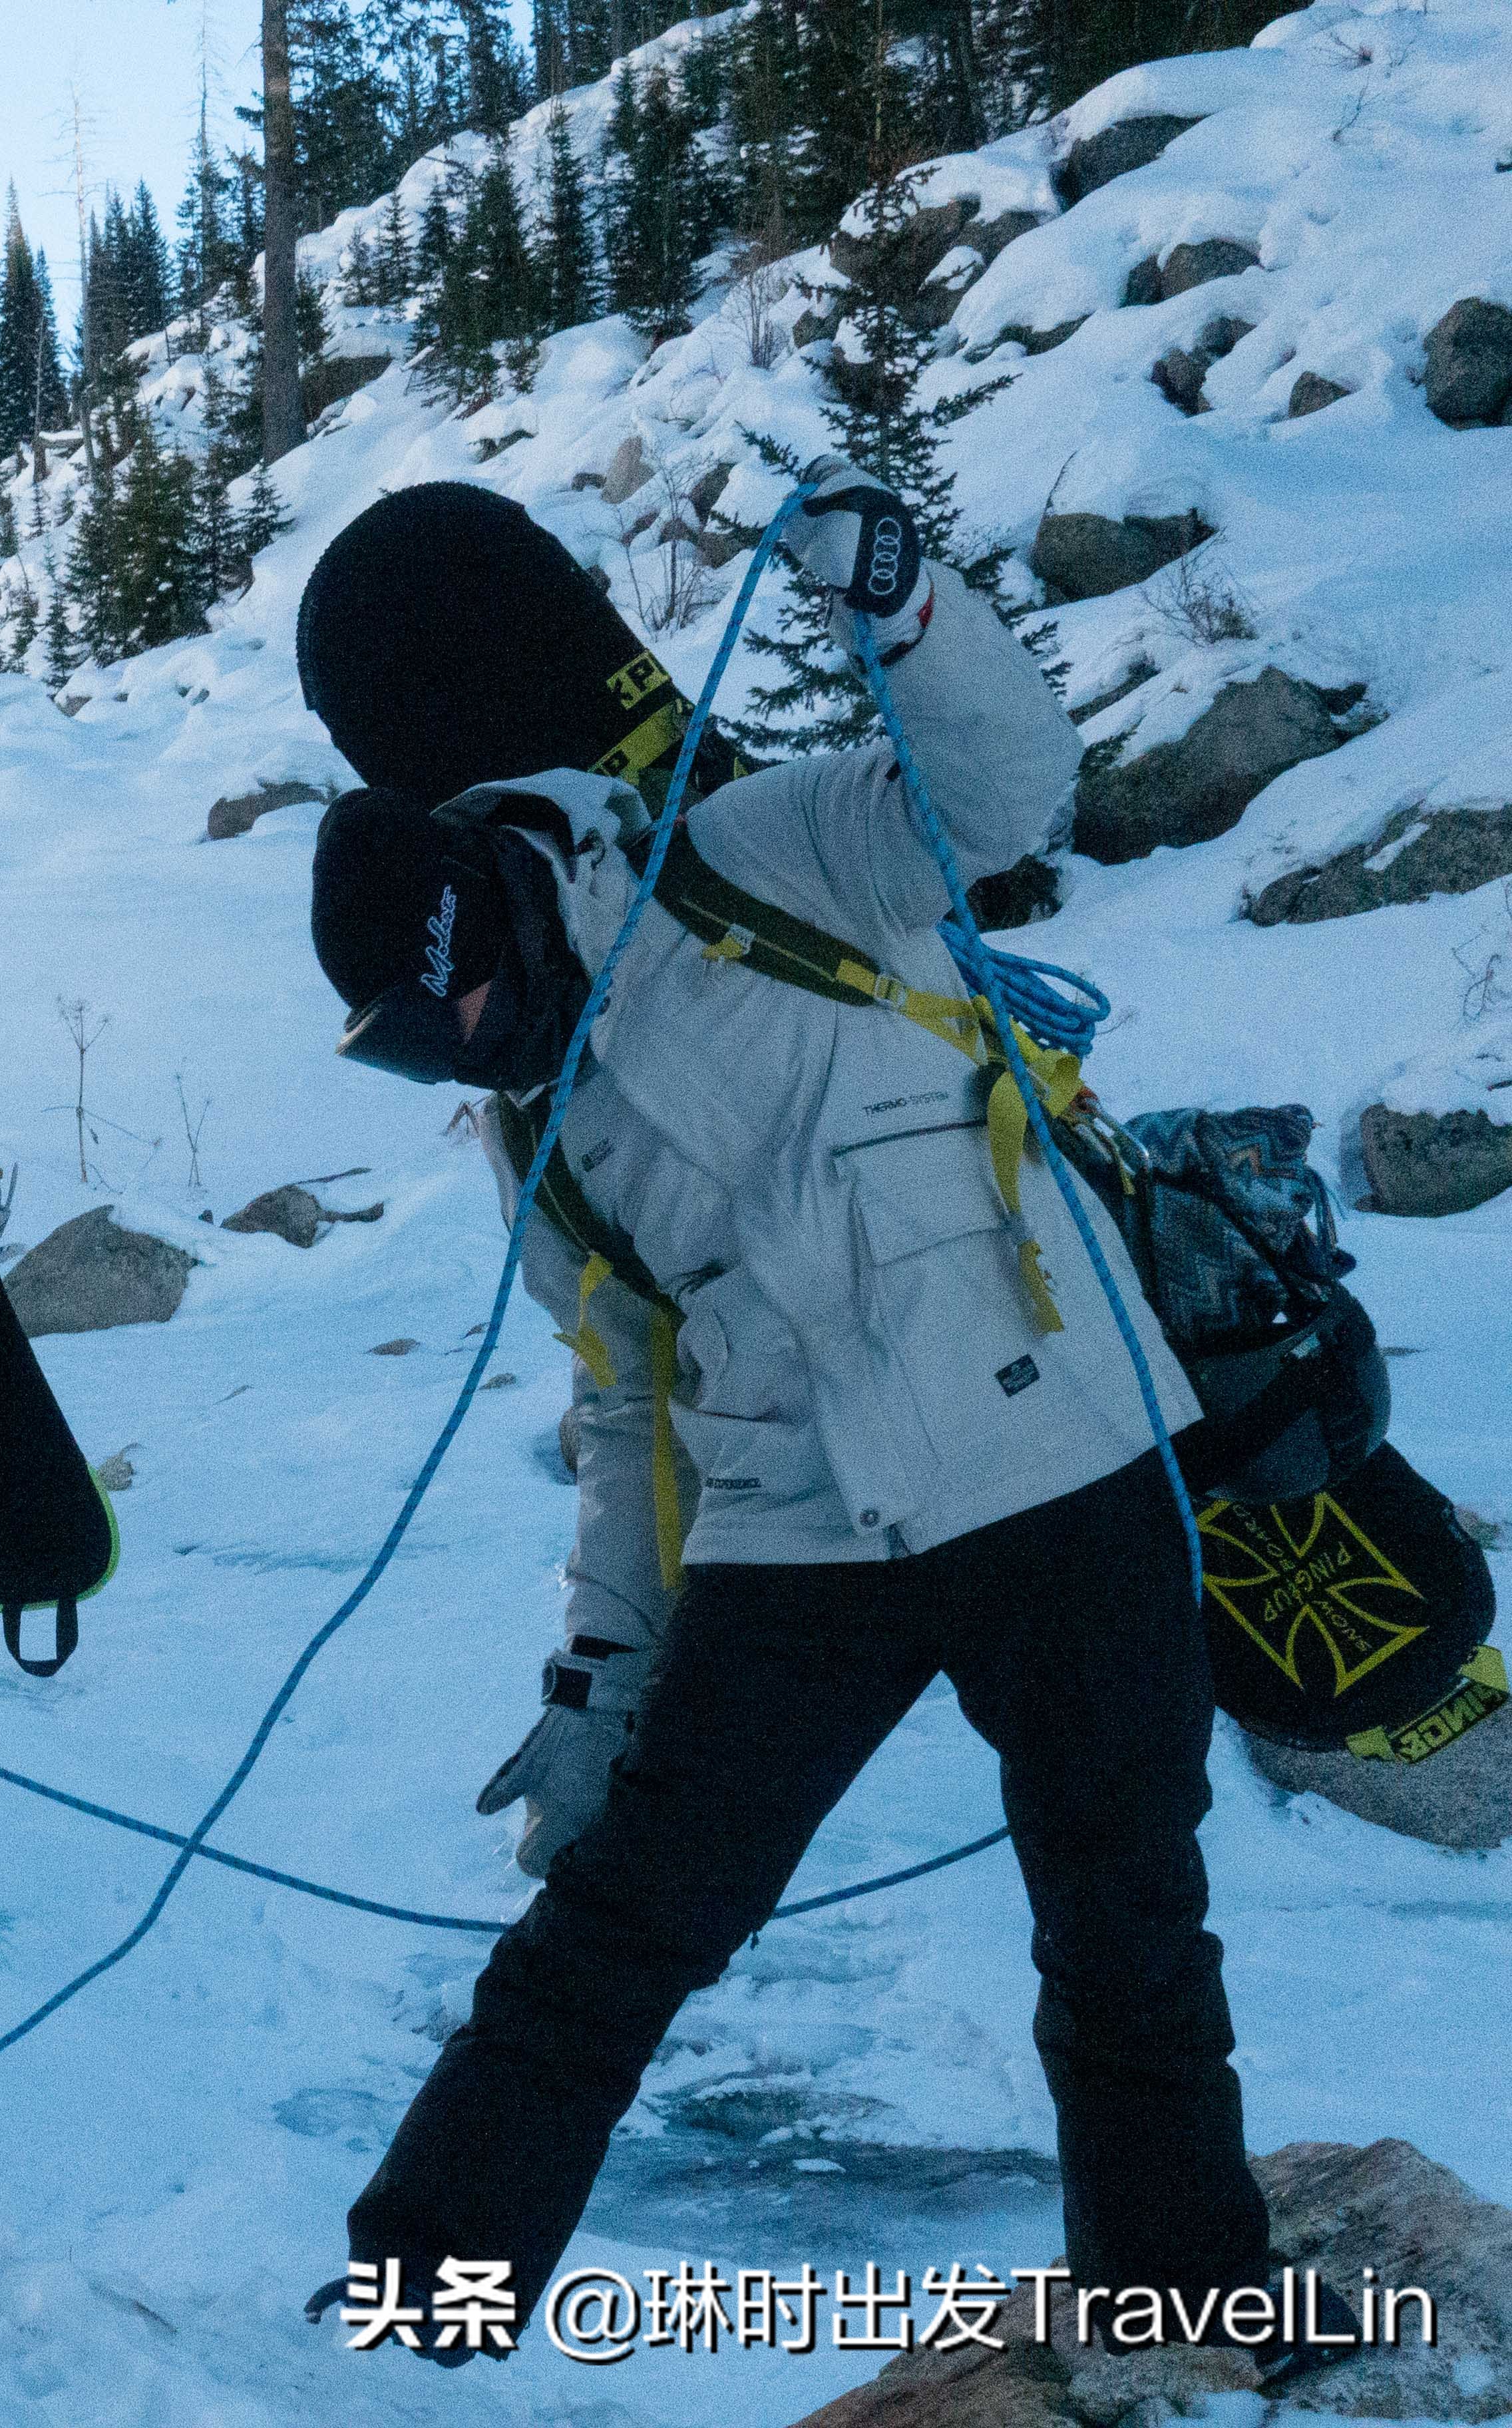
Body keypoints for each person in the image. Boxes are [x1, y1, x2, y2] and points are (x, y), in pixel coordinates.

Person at [292, 473, 1296, 2363]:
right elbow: (627, 1408)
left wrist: (905, 604)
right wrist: (599, 1685)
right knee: (620, 1929)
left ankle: (1186, 2302)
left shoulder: (765, 857)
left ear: (512, 898)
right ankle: (425, 2301)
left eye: (491, 1015)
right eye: (452, 1057)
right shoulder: (538, 1126)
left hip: (1066, 1463)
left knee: (1129, 1935)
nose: (498, 1065)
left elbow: (1004, 796)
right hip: (800, 1539)